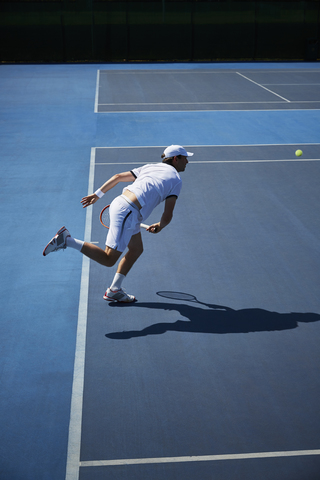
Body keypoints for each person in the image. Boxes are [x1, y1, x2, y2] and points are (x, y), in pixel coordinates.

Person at [43, 145, 194, 302]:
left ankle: (114, 290)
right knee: (109, 259)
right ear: (176, 159)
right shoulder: (176, 180)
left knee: (136, 249)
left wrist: (97, 194)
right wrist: (160, 226)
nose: (187, 162)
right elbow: (167, 214)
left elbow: (117, 177)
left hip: (122, 205)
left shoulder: (151, 167)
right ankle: (67, 240)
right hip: (129, 212)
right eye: (185, 158)